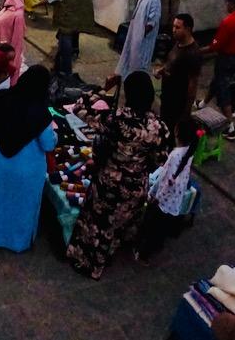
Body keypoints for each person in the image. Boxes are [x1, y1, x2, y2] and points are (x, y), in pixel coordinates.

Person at [66, 71, 169, 279]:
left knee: (98, 225)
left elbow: (78, 107)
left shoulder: (116, 119)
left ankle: (92, 265)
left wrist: (102, 90)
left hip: (108, 185)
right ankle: (111, 252)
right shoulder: (158, 127)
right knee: (117, 225)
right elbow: (160, 160)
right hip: (136, 187)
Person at [0, 64, 57, 251]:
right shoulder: (41, 113)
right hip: (26, 170)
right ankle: (17, 243)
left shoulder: (0, 97)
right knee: (20, 208)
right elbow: (48, 144)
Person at [136, 118, 200, 263]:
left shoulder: (175, 155)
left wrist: (154, 194)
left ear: (177, 133)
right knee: (160, 229)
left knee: (150, 227)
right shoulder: (189, 152)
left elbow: (165, 179)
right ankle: (156, 247)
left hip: (162, 200)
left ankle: (143, 253)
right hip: (173, 200)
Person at [198, 0, 235, 141]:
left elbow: (215, 45)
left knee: (223, 93)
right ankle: (203, 103)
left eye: (228, 3)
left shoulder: (228, 22)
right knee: (218, 81)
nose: (226, 5)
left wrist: (199, 51)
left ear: (233, 5)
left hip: (226, 59)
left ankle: (230, 127)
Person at [156, 13, 203, 137]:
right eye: (173, 26)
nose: (173, 30)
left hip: (178, 102)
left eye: (177, 27)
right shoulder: (178, 43)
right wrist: (162, 70)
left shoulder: (193, 53)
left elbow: (193, 84)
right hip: (167, 97)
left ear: (188, 29)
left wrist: (186, 112)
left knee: (171, 133)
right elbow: (172, 62)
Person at [44, 0, 95, 76]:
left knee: (65, 48)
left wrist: (34, 4)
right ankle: (58, 67)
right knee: (65, 43)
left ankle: (66, 73)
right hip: (78, 20)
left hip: (66, 22)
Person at [116, 0, 162, 81]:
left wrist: (140, 36)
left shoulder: (155, 0)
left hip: (143, 40)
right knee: (130, 60)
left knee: (139, 64)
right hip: (136, 36)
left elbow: (151, 23)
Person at [0, 0, 26, 84]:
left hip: (3, 49)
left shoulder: (8, 13)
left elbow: (17, 39)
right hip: (4, 48)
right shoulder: (14, 13)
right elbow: (17, 39)